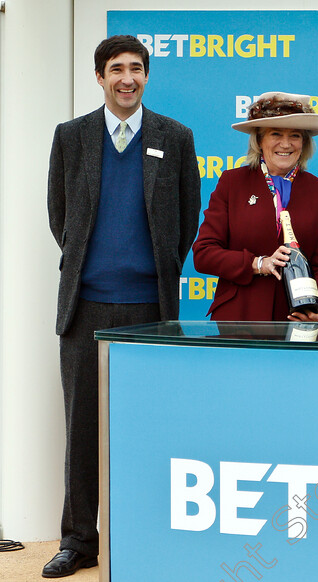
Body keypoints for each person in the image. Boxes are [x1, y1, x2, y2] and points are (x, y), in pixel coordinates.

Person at [46, 35, 201, 577]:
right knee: (82, 429)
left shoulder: (174, 137)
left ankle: (146, 535)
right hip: (85, 308)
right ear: (100, 77)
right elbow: (58, 216)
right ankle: (78, 540)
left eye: (137, 68)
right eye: (117, 69)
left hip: (149, 312)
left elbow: (185, 219)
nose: (127, 78)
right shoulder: (71, 138)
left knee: (149, 427)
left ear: (147, 76)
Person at [193, 91, 318, 321]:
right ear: (259, 140)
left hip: (297, 319)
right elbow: (204, 254)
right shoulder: (232, 182)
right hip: (240, 319)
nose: (286, 144)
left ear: (304, 142)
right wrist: (258, 263)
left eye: (295, 135)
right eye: (275, 134)